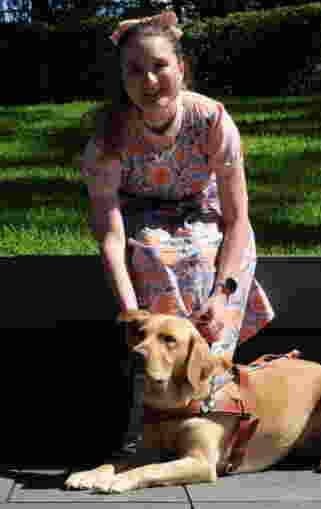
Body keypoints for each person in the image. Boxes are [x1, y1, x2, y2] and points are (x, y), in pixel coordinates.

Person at [75, 9, 275, 463]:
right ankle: (149, 414)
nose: (149, 80)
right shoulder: (107, 138)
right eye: (135, 70)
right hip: (143, 220)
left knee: (205, 256)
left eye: (160, 66)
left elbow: (238, 218)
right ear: (121, 78)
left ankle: (209, 410)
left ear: (180, 68)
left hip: (206, 214)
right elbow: (110, 234)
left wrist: (222, 296)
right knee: (152, 255)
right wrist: (131, 313)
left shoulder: (212, 119)